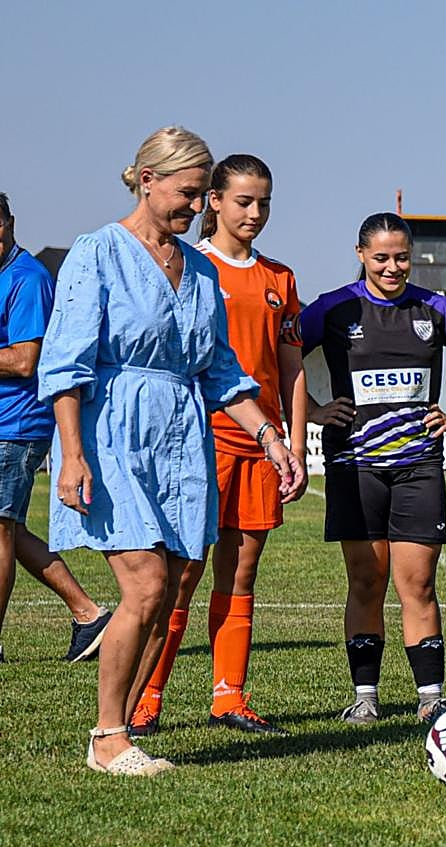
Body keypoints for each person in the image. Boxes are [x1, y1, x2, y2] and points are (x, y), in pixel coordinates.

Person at [37, 127, 303, 776]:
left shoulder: (202, 269)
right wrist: (72, 454)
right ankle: (107, 737)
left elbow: (221, 370)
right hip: (112, 432)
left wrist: (272, 437)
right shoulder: (97, 252)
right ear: (147, 180)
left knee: (175, 581)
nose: (196, 205)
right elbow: (65, 363)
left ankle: (117, 731)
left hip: (183, 436)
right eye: (188, 192)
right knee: (146, 582)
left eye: (202, 194)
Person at [130, 155, 308, 737]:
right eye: (243, 201)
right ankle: (146, 697)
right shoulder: (189, 266)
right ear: (213, 202)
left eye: (264, 202)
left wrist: (295, 443)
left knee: (240, 575)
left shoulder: (279, 278)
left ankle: (229, 696)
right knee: (182, 573)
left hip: (261, 444)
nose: (254, 213)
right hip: (197, 440)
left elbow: (291, 368)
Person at [301, 212, 446, 725]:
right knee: (367, 582)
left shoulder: (435, 309)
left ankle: (431, 698)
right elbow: (278, 360)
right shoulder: (332, 309)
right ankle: (365, 698)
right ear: (361, 254)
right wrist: (311, 412)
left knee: (419, 583)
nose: (392, 267)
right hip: (354, 465)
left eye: (402, 257)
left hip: (418, 467)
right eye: (382, 257)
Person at [0, 192, 112, 664]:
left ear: (9, 222)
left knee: (1, 529)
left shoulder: (25, 278)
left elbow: (27, 360)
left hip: (15, 424)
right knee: (10, 529)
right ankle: (88, 615)